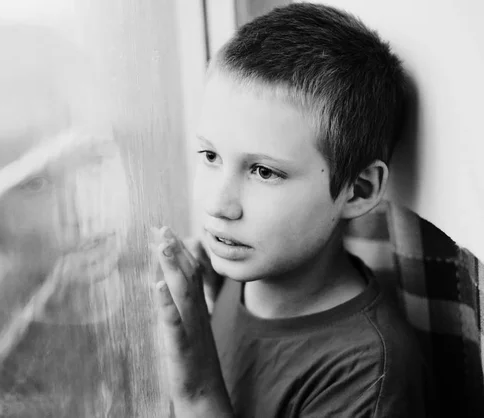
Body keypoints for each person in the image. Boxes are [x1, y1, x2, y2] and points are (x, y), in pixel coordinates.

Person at [151, 3, 428, 417]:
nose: (217, 204)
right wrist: (211, 296)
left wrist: (196, 388)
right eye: (210, 155)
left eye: (263, 171)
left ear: (359, 189)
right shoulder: (239, 276)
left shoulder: (367, 376)